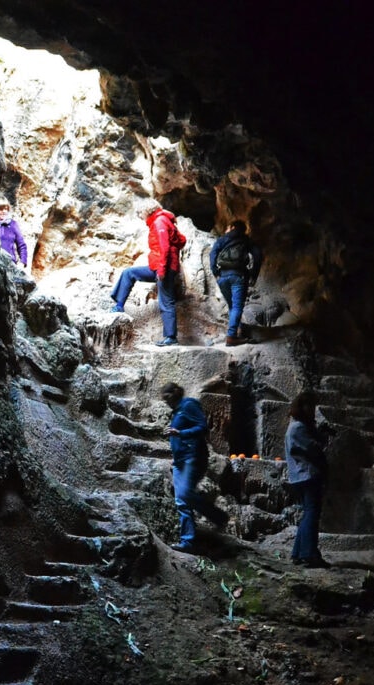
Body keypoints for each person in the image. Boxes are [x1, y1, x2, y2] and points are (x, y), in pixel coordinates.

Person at [161, 383, 228, 552]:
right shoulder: (176, 411)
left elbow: (202, 427)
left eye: (167, 397)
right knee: (181, 501)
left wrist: (181, 433)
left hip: (193, 457)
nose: (165, 401)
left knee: (184, 494)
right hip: (179, 461)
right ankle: (187, 542)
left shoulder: (189, 404)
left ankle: (219, 517)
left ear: (175, 393)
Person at [111, 199, 187, 347]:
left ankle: (171, 337)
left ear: (147, 210)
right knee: (129, 273)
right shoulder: (160, 222)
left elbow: (165, 248)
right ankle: (119, 305)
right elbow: (179, 241)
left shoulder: (160, 222)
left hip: (164, 267)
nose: (140, 216)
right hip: (158, 266)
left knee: (166, 300)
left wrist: (162, 270)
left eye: (140, 213)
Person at [284, 390, 331, 568]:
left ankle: (298, 553)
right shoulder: (298, 428)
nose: (312, 410)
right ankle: (309, 553)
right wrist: (323, 439)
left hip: (300, 477)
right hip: (308, 475)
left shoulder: (296, 426)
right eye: (310, 406)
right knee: (312, 514)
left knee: (308, 514)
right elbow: (314, 449)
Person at [209, 219, 263, 345]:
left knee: (232, 306)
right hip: (239, 276)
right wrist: (253, 275)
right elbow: (258, 255)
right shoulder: (246, 240)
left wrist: (216, 273)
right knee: (237, 306)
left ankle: (237, 332)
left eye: (228, 227)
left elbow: (212, 254)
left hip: (223, 277)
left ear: (232, 227)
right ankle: (232, 336)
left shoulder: (222, 239)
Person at [0, 202, 27, 267]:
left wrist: (22, 262)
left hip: (10, 264)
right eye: (1, 209)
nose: (3, 211)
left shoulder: (13, 224)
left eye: (6, 209)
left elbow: (22, 245)